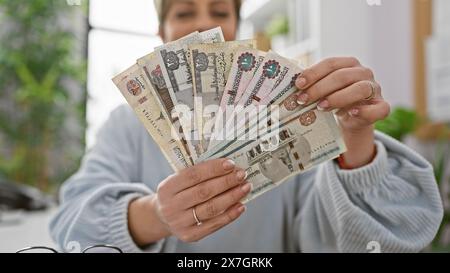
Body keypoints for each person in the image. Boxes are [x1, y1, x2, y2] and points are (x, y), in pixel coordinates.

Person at [50, 0, 444, 252]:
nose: (202, 21)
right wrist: (155, 215)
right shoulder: (125, 125)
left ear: (235, 30)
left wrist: (355, 136)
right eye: (184, 12)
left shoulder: (282, 113)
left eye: (219, 12)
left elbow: (346, 242)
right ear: (161, 33)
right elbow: (70, 223)